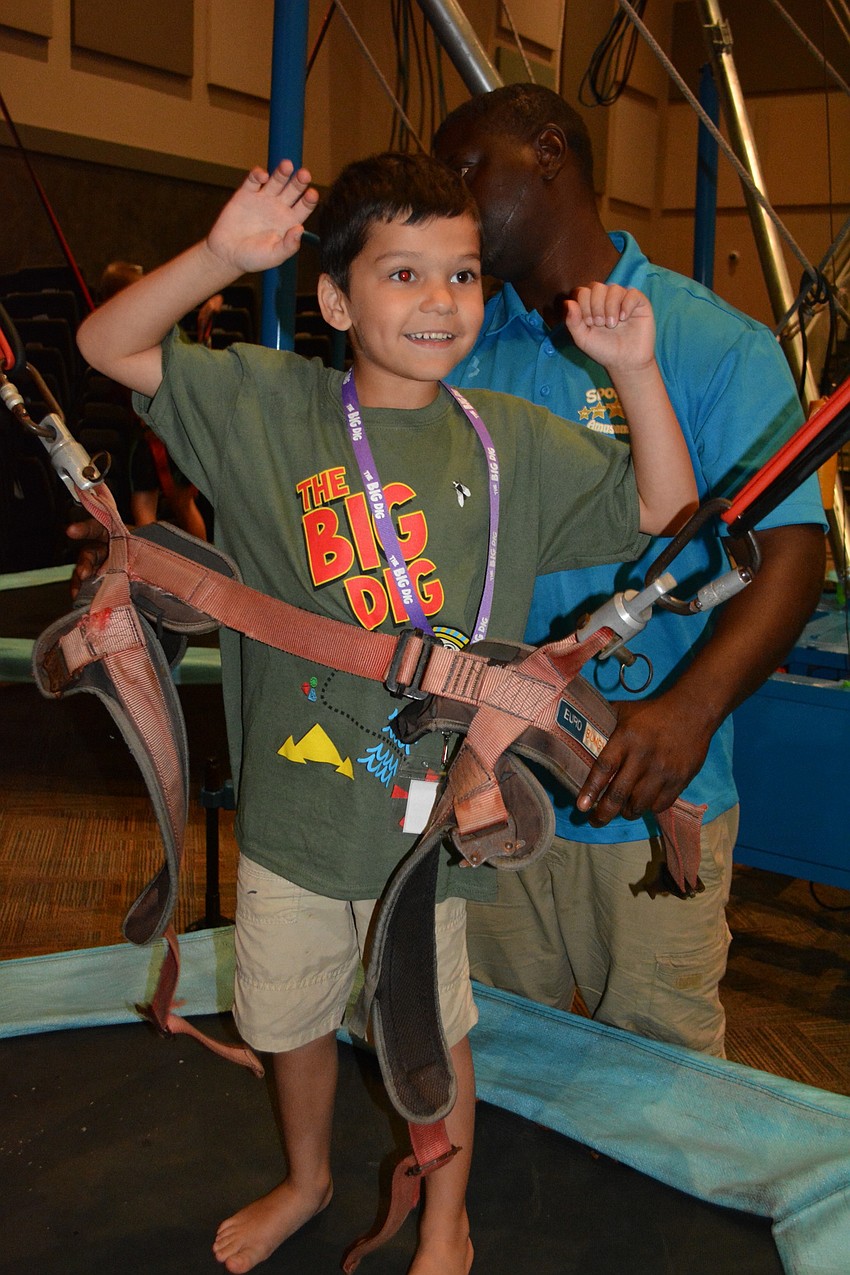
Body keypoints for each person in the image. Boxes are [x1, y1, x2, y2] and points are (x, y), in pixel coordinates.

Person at [75, 151, 695, 1273]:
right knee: (289, 1019)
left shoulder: (508, 440)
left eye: (459, 276)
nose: (437, 301)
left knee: (432, 1032)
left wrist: (637, 370)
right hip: (294, 821)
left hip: (433, 834)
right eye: (402, 274)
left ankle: (447, 1218)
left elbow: (663, 504)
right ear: (334, 298)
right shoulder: (266, 405)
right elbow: (107, 346)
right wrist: (221, 253)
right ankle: (308, 1178)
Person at [433, 84, 826, 1057]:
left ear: (551, 153)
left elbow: (793, 554)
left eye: (469, 168)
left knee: (662, 1090)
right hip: (494, 782)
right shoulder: (452, 351)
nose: (450, 199)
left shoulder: (707, 343)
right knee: (496, 1058)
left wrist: (688, 713)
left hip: (646, 796)